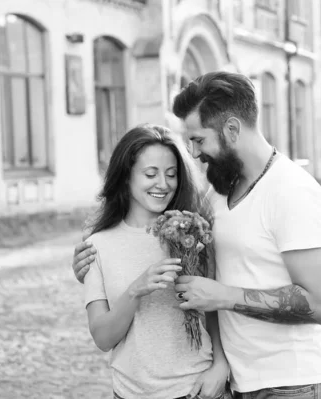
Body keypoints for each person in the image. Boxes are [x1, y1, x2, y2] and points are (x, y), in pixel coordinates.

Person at [72, 72, 321, 399]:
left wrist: (222, 296)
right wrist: (93, 268)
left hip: (298, 383)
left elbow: (318, 304)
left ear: (231, 130)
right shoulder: (219, 196)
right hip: (243, 383)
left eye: (199, 140)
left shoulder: (292, 191)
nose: (193, 152)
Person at [80, 124, 230, 399]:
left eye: (171, 174)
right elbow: (102, 338)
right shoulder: (96, 246)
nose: (163, 184)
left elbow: (213, 311)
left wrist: (220, 365)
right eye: (151, 174)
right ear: (125, 176)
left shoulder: (192, 232)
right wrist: (136, 290)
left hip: (197, 390)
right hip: (131, 393)